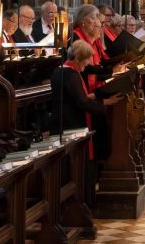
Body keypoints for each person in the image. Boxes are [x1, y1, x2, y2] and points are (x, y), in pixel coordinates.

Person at [49, 40, 125, 200]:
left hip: (67, 122)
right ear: (78, 58)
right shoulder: (69, 74)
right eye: (86, 60)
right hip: (70, 125)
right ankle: (80, 200)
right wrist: (105, 103)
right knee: (74, 166)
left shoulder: (63, 71)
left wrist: (91, 97)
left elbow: (77, 97)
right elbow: (82, 103)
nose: (88, 64)